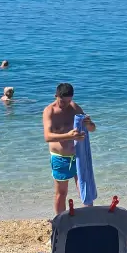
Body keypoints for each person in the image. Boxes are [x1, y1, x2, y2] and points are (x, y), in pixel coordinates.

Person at [42, 83, 94, 217]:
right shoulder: (50, 111)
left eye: (69, 101)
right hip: (60, 158)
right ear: (56, 96)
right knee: (61, 193)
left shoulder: (74, 108)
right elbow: (47, 137)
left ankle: (89, 219)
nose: (66, 104)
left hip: (77, 156)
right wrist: (68, 136)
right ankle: (60, 221)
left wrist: (89, 124)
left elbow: (92, 129)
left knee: (84, 189)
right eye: (63, 101)